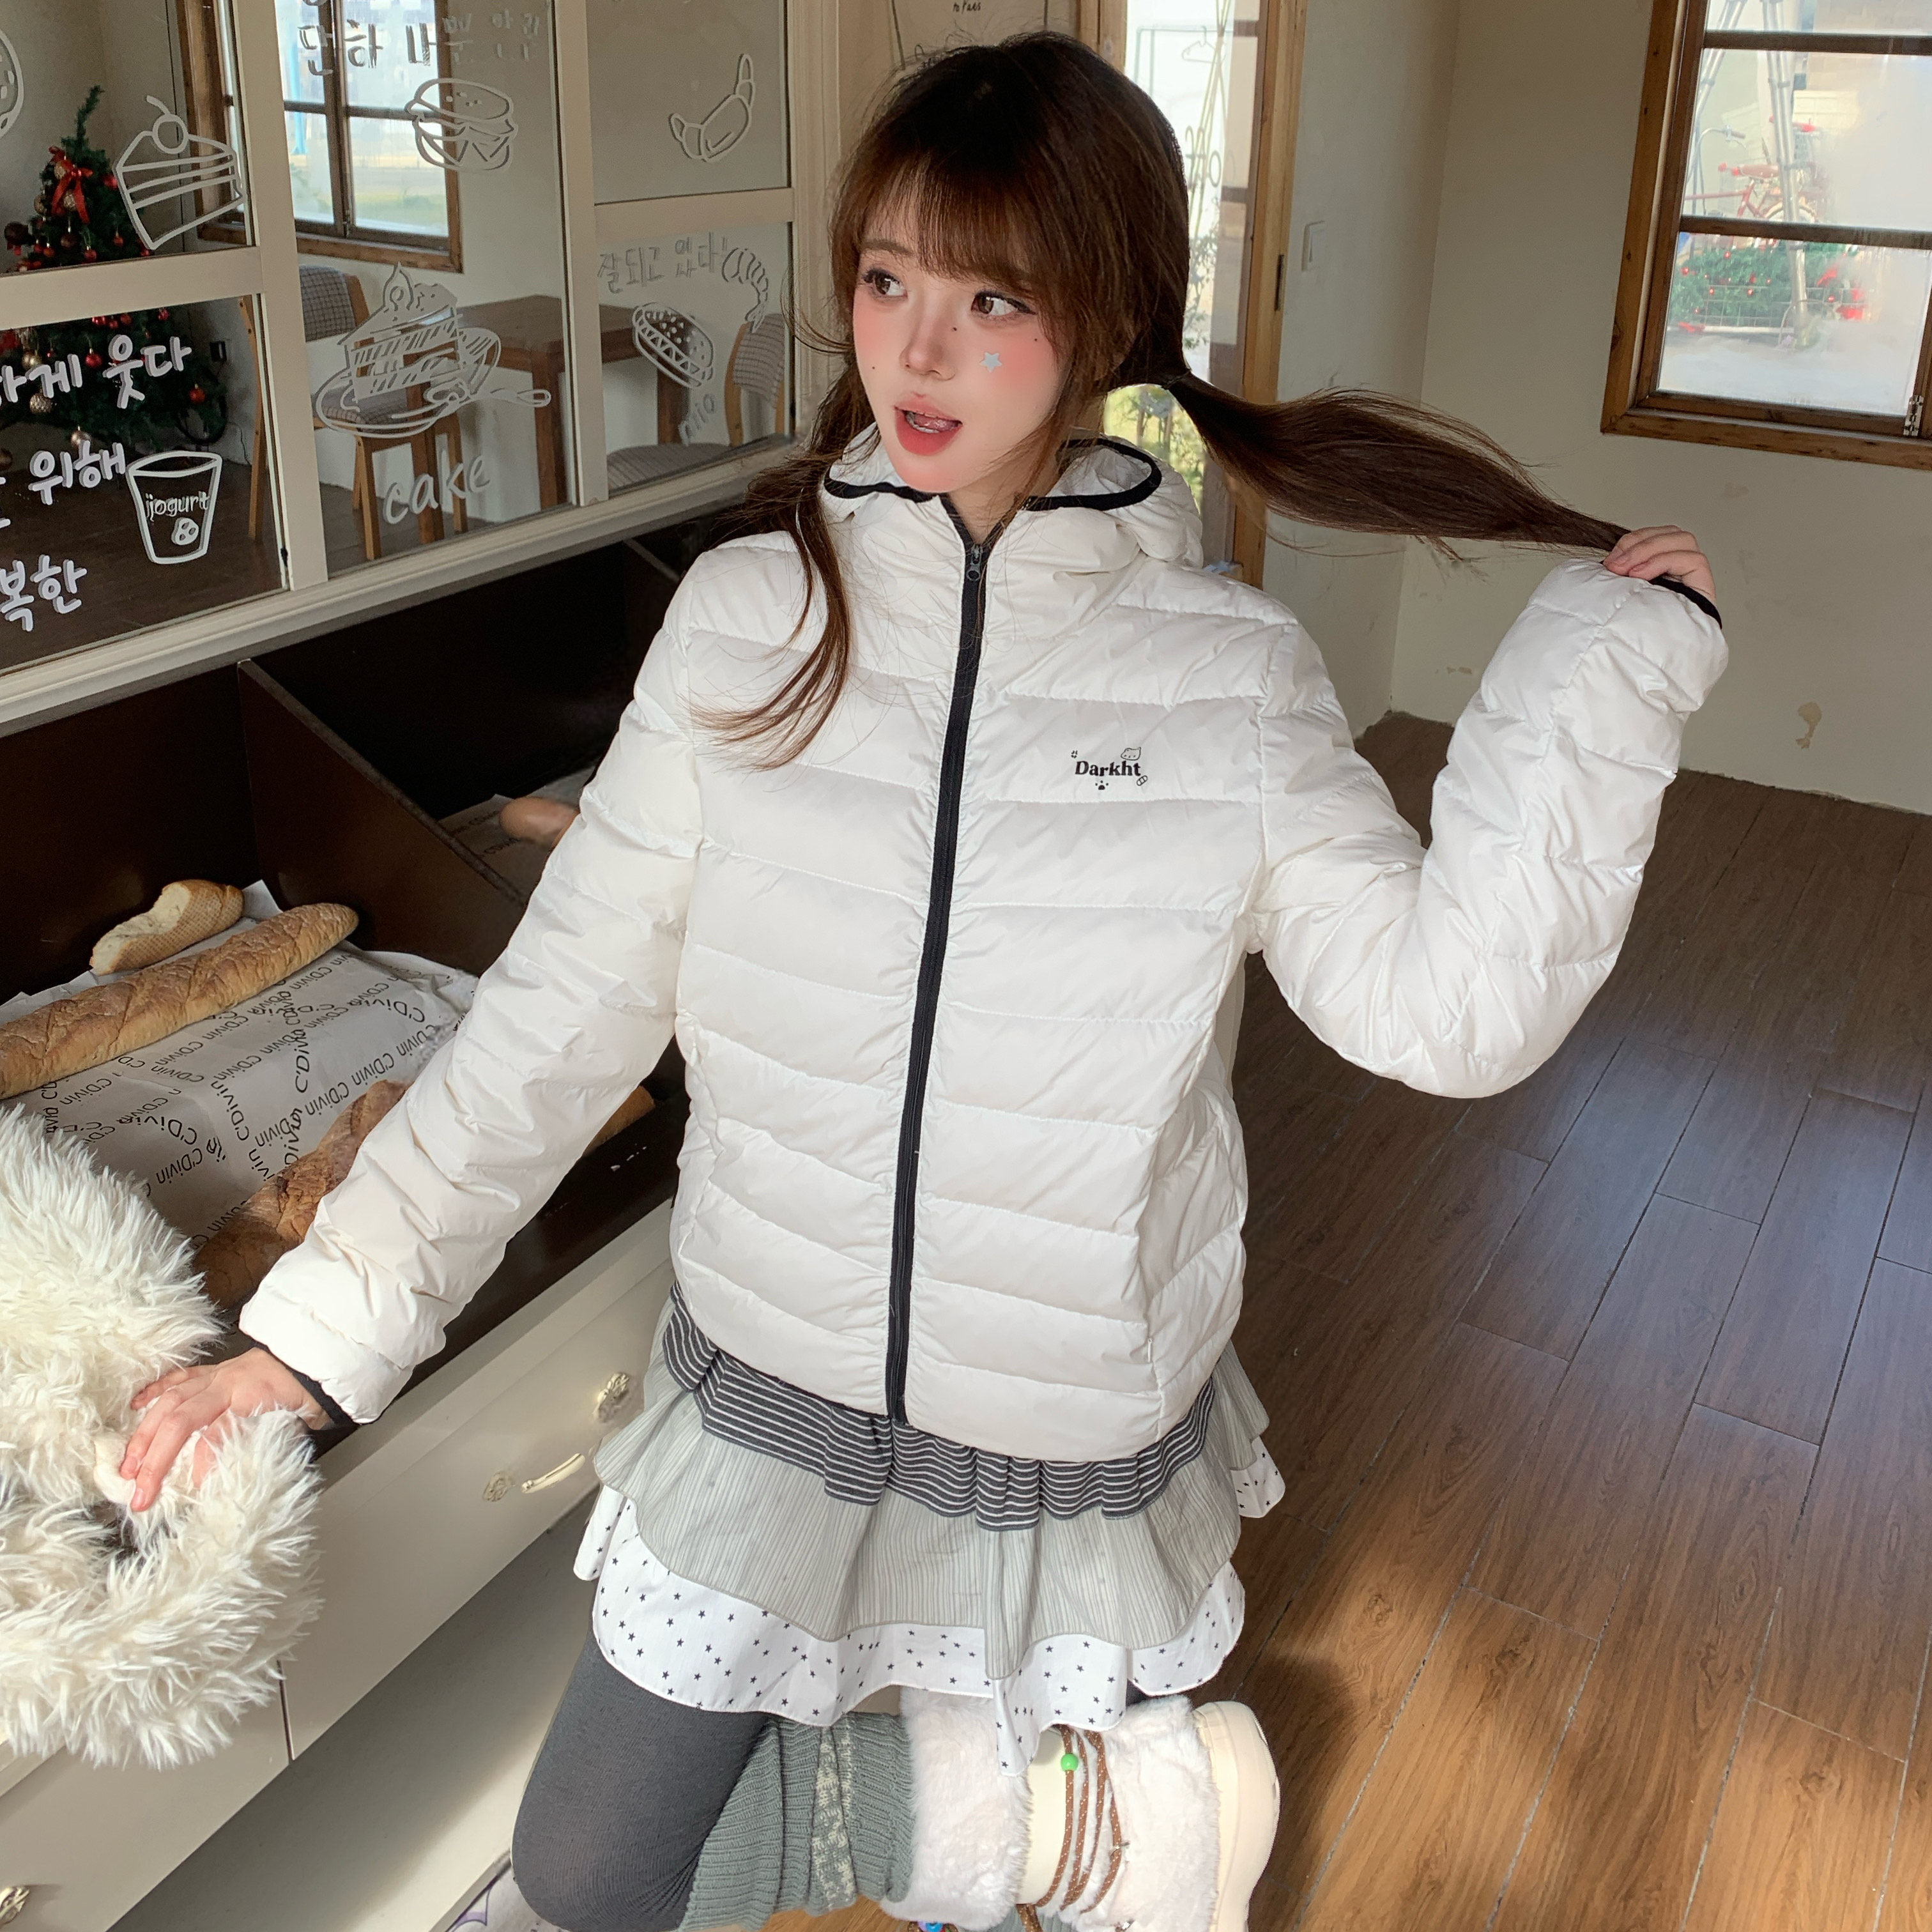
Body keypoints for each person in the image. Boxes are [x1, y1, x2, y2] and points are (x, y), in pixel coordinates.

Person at [119, 32, 1724, 1932]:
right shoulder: (749, 622)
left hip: (1063, 1440)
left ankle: (1056, 1840)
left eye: (992, 300)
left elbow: (1444, 1009)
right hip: (769, 1404)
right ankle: (1088, 1826)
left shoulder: (1228, 678)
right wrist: (316, 1342)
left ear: (1105, 314)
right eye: (888, 281)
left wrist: (1607, 684)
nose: (920, 351)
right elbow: (551, 1023)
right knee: (592, 1866)